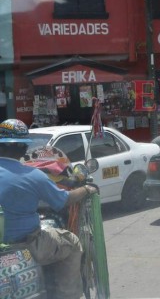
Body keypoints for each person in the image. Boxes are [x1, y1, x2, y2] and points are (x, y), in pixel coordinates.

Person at [0, 118, 98, 299]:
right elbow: (64, 200)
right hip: (28, 243)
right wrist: (86, 189)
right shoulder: (33, 175)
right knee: (72, 242)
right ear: (24, 148)